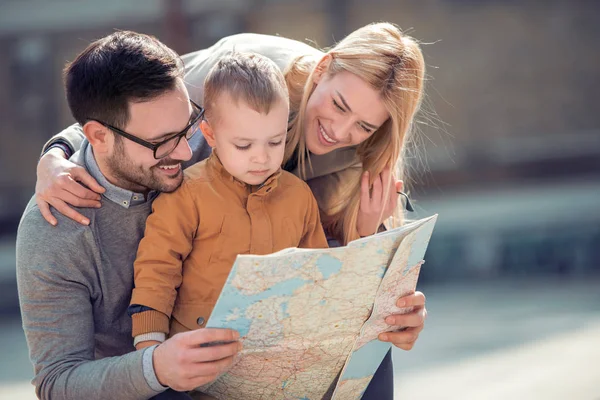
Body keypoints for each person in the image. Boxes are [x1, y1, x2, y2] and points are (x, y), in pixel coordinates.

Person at [34, 23, 428, 398]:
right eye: (339, 106)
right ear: (323, 68)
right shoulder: (244, 70)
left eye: (364, 126)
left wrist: (391, 314)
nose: (341, 132)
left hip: (265, 332)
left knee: (372, 355)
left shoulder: (354, 161)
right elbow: (130, 102)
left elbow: (322, 268)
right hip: (189, 322)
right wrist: (56, 154)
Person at [16, 31, 242, 400]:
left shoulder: (198, 136)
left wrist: (54, 149)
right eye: (161, 142)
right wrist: (156, 368)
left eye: (187, 126)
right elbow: (57, 382)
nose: (186, 152)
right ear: (99, 137)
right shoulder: (53, 231)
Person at [129, 52, 329, 355]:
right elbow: (157, 270)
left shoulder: (299, 197)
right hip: (199, 359)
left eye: (275, 141)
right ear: (210, 134)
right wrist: (150, 350)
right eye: (243, 145)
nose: (261, 157)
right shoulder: (186, 194)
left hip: (276, 356)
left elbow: (318, 275)